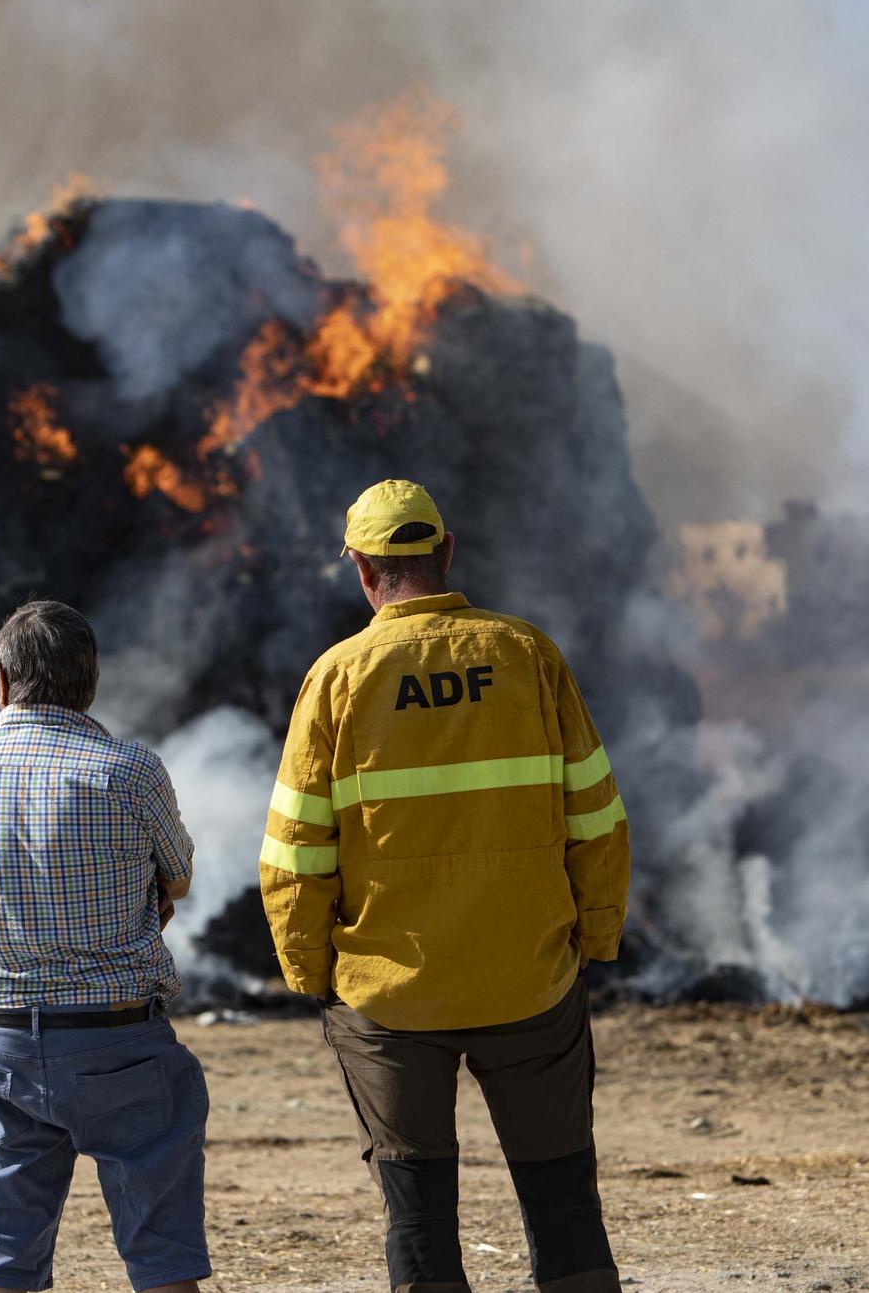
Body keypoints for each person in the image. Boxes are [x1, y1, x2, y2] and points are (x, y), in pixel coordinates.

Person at [258, 480, 630, 1293]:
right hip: (530, 981)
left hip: (389, 995)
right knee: (565, 1203)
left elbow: (293, 853)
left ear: (361, 568)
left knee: (420, 1222)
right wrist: (593, 936)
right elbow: (598, 817)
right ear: (447, 552)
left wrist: (309, 968)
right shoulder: (528, 653)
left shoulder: (337, 677)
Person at [0, 599, 211, 1293]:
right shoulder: (131, 769)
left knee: (0, 1253)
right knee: (164, 1253)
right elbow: (177, 874)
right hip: (118, 1041)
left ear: (2, 681)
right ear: (90, 681)